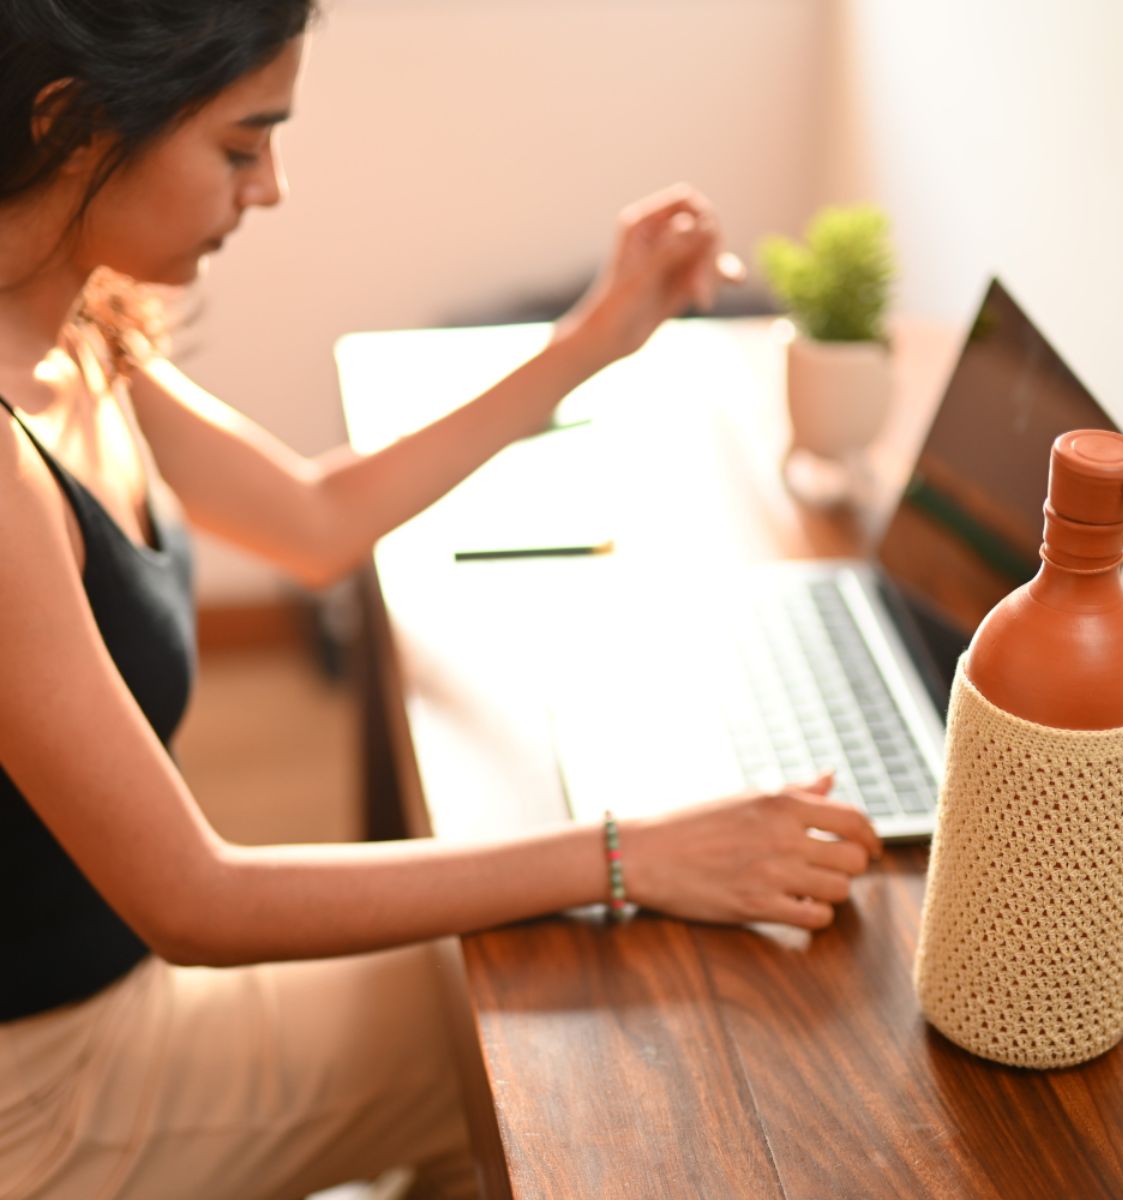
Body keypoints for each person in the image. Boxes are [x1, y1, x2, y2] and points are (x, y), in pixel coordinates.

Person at [0, 3, 883, 1197]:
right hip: (46, 1102)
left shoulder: (73, 326)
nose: (270, 189)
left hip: (106, 1008)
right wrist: (632, 854)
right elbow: (197, 901)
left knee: (527, 985)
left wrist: (595, 335)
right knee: (569, 1010)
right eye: (241, 145)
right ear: (69, 125)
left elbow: (315, 521)